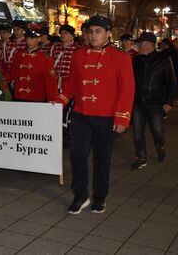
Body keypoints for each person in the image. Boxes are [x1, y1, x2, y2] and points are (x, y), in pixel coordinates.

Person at [56, 16, 135, 214]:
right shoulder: (79, 55)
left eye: (98, 31)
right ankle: (80, 195)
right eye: (90, 31)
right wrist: (60, 101)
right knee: (77, 155)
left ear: (109, 33)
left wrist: (122, 117)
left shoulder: (121, 56)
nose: (93, 35)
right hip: (81, 115)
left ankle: (100, 196)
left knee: (102, 158)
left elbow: (127, 89)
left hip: (107, 116)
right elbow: (72, 83)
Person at [131, 32, 177, 170]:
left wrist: (169, 102)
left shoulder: (164, 59)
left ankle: (160, 144)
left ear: (148, 44)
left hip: (156, 103)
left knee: (157, 130)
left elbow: (172, 83)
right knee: (138, 131)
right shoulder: (136, 60)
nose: (137, 45)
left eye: (139, 43)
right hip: (138, 103)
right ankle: (141, 157)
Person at [10, 29, 58, 102]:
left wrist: (52, 98)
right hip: (19, 96)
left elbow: (50, 81)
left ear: (39, 39)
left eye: (32, 38)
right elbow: (13, 73)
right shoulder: (18, 54)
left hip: (36, 97)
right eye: (27, 38)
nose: (28, 41)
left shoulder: (45, 58)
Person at [51, 24, 79, 92]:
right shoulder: (55, 47)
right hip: (55, 82)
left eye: (66, 33)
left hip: (69, 82)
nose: (63, 35)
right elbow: (51, 63)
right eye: (61, 33)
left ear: (71, 35)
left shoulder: (77, 49)